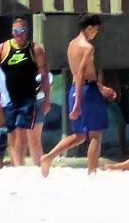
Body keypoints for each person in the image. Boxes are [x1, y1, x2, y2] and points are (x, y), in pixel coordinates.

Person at [38, 13, 116, 174]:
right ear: (89, 28)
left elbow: (81, 74)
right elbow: (81, 73)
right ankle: (92, 172)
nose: (97, 33)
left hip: (76, 89)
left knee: (80, 135)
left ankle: (49, 156)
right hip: (85, 92)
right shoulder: (88, 47)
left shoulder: (72, 44)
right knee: (95, 134)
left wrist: (100, 88)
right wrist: (78, 103)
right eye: (96, 29)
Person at [0, 17, 48, 168]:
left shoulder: (35, 49)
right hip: (8, 98)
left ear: (27, 32)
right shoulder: (3, 48)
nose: (19, 34)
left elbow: (44, 74)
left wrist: (47, 98)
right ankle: (15, 163)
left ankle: (19, 164)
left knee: (22, 131)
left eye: (22, 31)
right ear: (12, 32)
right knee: (11, 132)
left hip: (28, 97)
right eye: (16, 31)